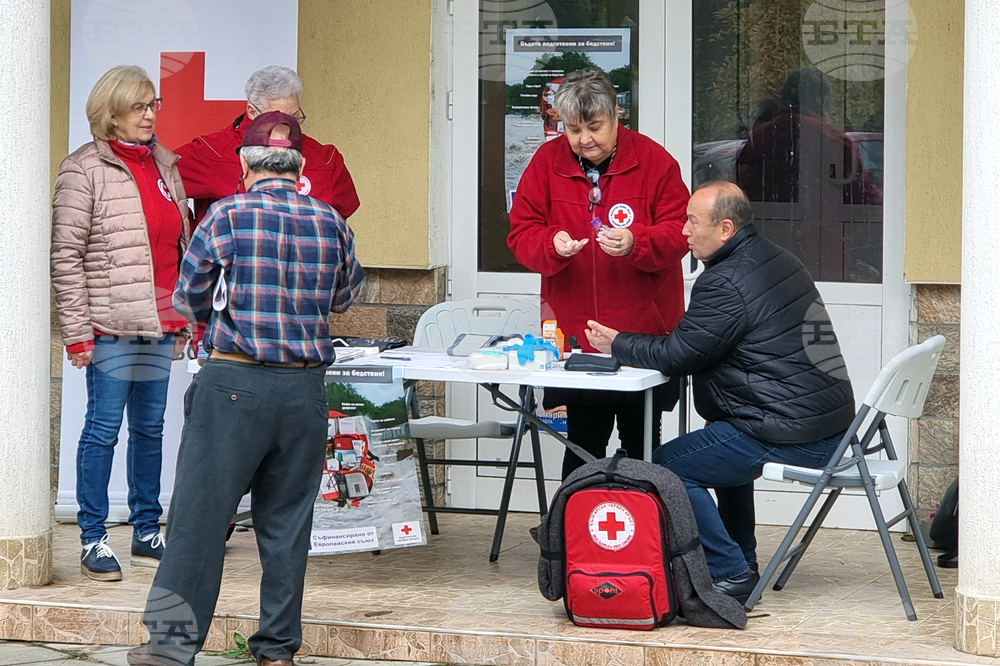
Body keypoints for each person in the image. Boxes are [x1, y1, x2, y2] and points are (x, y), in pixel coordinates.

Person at [127, 111, 363, 666]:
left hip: (233, 381)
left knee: (198, 520)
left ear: (244, 162)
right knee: (286, 527)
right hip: (304, 389)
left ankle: (169, 647)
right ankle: (277, 651)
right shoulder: (331, 221)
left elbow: (188, 298)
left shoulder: (227, 216)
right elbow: (346, 297)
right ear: (301, 164)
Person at [585, 181, 856, 604]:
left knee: (665, 469)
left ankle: (729, 571)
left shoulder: (726, 280)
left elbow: (680, 354)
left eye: (693, 221)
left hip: (792, 434)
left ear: (726, 228)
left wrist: (617, 343)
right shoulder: (777, 258)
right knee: (721, 440)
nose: (683, 231)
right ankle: (741, 560)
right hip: (826, 427)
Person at [507, 67, 689, 478]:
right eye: (573, 129)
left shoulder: (654, 161)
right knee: (583, 442)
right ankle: (573, 533)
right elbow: (522, 233)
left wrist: (636, 242)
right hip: (576, 334)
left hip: (642, 334)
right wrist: (551, 244)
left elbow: (681, 231)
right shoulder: (545, 162)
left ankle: (645, 530)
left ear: (616, 115)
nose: (584, 139)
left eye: (595, 126)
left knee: (641, 444)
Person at [51, 65, 191, 582]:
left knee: (151, 430)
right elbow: (66, 256)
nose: (151, 114)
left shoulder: (165, 165)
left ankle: (147, 531)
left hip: (159, 319)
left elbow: (179, 246)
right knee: (103, 430)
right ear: (111, 114)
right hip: (109, 325)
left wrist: (184, 316)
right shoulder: (82, 169)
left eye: (154, 105)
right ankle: (93, 538)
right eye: (140, 106)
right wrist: (78, 331)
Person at [175, 65, 360, 225]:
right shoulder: (213, 151)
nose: (288, 126)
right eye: (277, 118)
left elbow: (339, 226)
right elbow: (156, 186)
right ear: (252, 111)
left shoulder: (325, 159)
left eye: (294, 117)